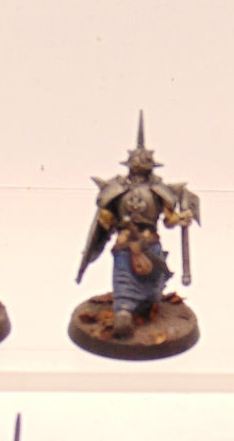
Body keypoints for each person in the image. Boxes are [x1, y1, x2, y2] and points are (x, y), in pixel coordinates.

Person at [76, 114, 199, 337]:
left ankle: (138, 307)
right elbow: (106, 221)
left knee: (147, 281)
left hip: (141, 243)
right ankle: (125, 312)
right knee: (129, 279)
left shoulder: (150, 190)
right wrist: (105, 223)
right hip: (132, 244)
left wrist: (182, 218)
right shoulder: (133, 189)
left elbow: (167, 220)